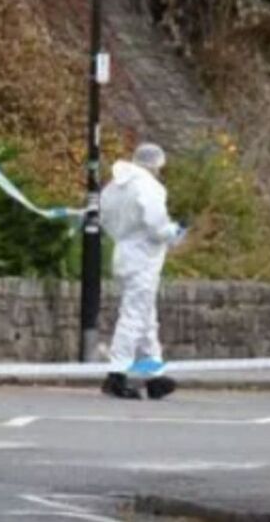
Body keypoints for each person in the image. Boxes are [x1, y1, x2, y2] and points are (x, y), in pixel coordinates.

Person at [99, 143, 186, 400]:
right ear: (156, 165)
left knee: (146, 319)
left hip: (124, 253)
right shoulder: (149, 187)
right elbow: (157, 226)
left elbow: (106, 219)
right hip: (143, 259)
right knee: (134, 316)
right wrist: (175, 232)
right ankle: (117, 374)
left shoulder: (115, 185)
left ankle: (153, 375)